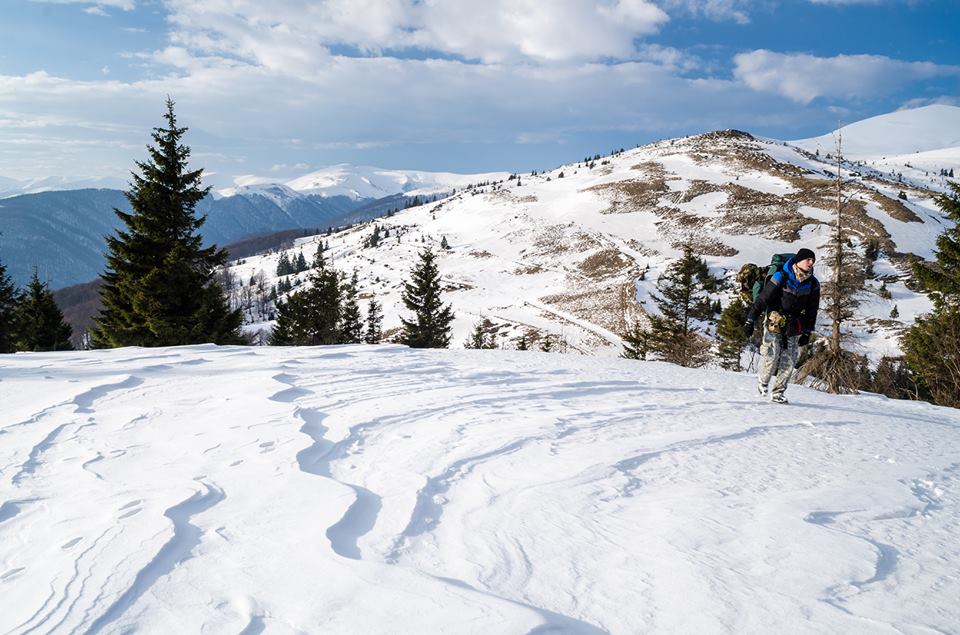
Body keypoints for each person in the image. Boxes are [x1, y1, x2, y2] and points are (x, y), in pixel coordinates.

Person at [743, 248, 820, 404]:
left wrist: (807, 331)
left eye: (813, 261)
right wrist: (750, 320)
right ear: (799, 260)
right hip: (774, 320)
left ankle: (778, 393)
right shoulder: (781, 276)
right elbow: (763, 299)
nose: (811, 263)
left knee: (789, 360)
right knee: (771, 355)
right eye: (808, 260)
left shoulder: (813, 283)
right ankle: (763, 382)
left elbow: (812, 309)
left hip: (794, 325)